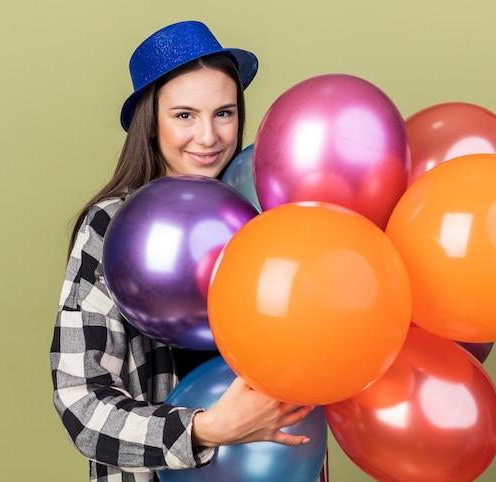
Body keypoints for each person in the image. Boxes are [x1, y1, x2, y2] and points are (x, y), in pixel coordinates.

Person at [50, 20, 317, 482]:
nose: (209, 137)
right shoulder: (111, 229)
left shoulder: (273, 215)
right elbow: (82, 403)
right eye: (185, 115)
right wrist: (204, 429)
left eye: (224, 113)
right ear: (150, 124)